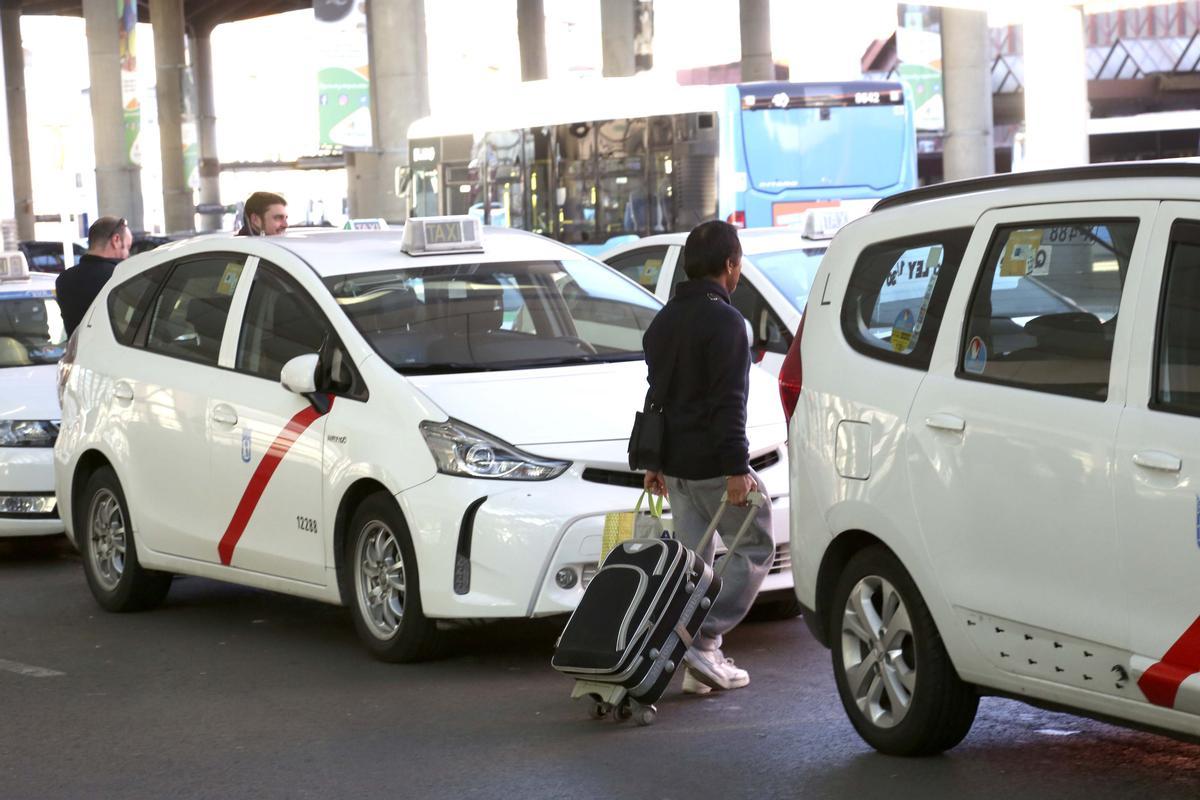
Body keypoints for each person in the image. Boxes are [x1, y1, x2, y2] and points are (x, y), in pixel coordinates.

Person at [641, 219, 774, 695]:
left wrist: (653, 461)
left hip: (674, 466)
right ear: (729, 265)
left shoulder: (663, 320)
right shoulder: (727, 322)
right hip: (715, 465)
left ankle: (699, 662)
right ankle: (702, 639)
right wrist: (737, 469)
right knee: (757, 546)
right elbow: (728, 403)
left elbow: (659, 395)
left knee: (696, 562)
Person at [56, 216, 132, 337]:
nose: (128, 254)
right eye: (128, 247)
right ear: (116, 240)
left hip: (78, 354)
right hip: (115, 354)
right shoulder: (121, 277)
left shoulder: (63, 279)